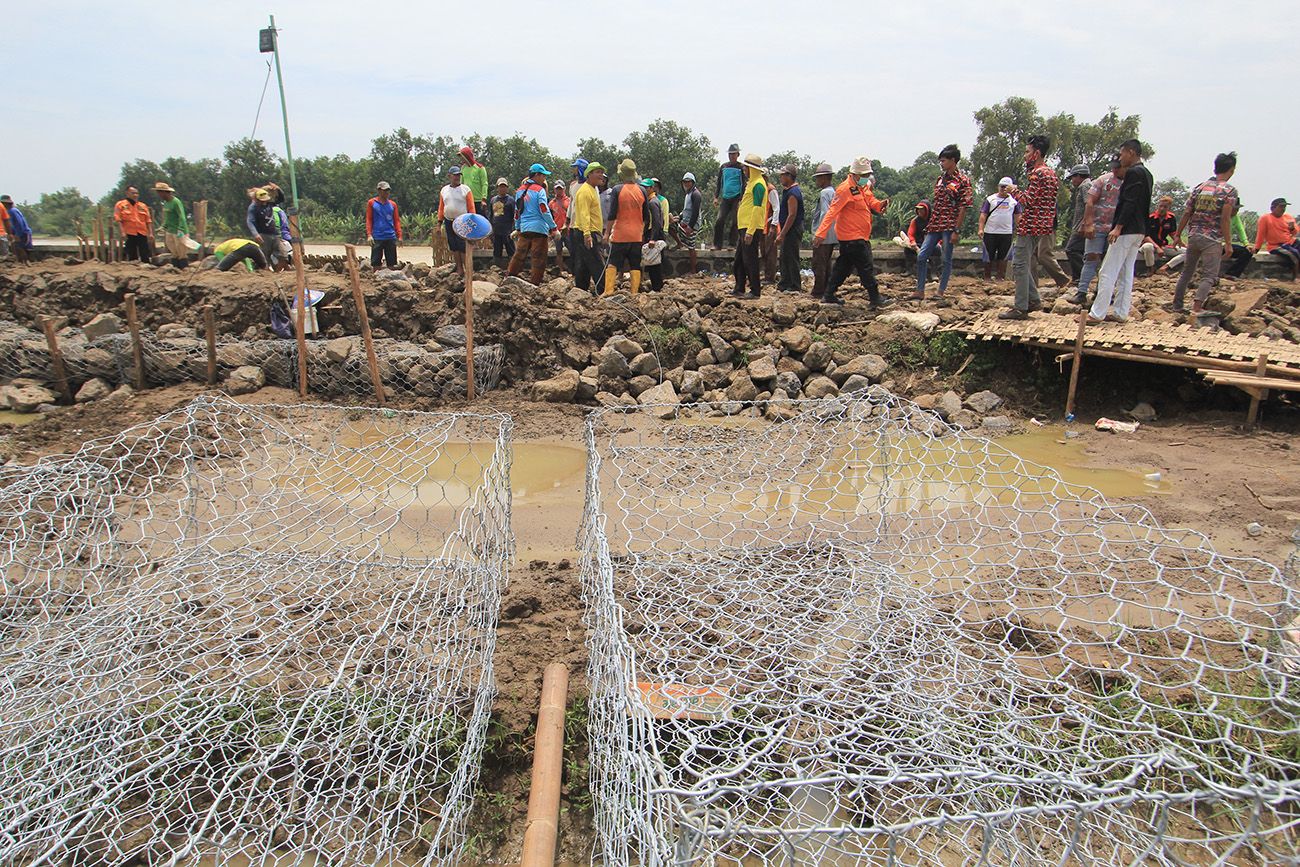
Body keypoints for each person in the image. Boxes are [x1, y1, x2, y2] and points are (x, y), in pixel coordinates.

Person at [1088, 138, 1153, 324]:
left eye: (1123, 153)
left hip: (1126, 229)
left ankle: (1097, 313)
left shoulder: (1133, 173)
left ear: (1131, 152)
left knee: (1108, 271)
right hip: (1138, 229)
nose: (1121, 158)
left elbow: (1129, 202)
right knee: (1126, 272)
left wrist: (1118, 227)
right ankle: (1121, 312)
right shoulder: (1147, 174)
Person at [813, 156, 892, 309]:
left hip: (859, 235)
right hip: (851, 237)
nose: (866, 178)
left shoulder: (863, 188)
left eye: (867, 175)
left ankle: (829, 294)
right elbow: (832, 212)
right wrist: (820, 234)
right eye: (863, 175)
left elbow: (871, 202)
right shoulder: (844, 189)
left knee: (842, 267)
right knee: (866, 265)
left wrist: (880, 205)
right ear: (854, 174)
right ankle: (875, 297)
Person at [1170, 152, 1238, 315]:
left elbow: (1187, 212)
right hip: (1212, 238)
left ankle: (1177, 306)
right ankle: (1196, 308)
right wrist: (1228, 242)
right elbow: (1225, 217)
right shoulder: (1230, 191)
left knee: (1187, 272)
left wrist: (1179, 234)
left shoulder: (1200, 187)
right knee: (1209, 276)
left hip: (1193, 235)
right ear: (1232, 169)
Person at [999, 135, 1058, 320]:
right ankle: (1033, 300)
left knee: (1019, 264)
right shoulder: (1051, 173)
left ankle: (1020, 307)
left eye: (1027, 151)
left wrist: (1013, 191)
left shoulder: (1037, 173)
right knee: (1022, 264)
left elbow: (1029, 201)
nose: (1025, 156)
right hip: (1043, 225)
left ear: (1036, 153)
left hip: (1030, 225)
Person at [912, 144, 972, 301]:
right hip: (935, 224)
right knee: (922, 255)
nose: (941, 164)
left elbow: (963, 207)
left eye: (944, 161)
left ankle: (941, 291)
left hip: (950, 225)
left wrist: (956, 230)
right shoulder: (940, 179)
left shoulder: (963, 180)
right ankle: (920, 290)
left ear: (953, 160)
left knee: (946, 259)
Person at [1068, 155, 1124, 306]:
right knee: (1090, 259)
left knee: (1107, 262)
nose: (1115, 169)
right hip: (1098, 227)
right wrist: (1088, 224)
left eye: (1118, 166)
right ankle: (1082, 292)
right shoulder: (1102, 180)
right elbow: (1090, 202)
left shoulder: (1128, 183)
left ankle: (1101, 292)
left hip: (1115, 229)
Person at [601, 159, 650, 296]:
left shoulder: (617, 190)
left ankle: (609, 290)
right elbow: (646, 215)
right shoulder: (642, 190)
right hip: (636, 235)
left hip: (620, 234)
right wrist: (640, 229)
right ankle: (634, 292)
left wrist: (606, 233)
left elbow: (612, 214)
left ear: (621, 175)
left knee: (613, 262)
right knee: (635, 264)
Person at [508, 164, 555, 285]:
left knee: (519, 255)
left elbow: (517, 211)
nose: (544, 179)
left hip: (525, 228)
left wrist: (518, 228)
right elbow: (544, 209)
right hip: (539, 229)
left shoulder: (519, 191)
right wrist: (553, 227)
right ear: (536, 175)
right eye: (543, 176)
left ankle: (509, 277)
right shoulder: (540, 190)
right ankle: (535, 284)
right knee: (538, 258)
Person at [730, 153, 768, 299]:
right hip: (744, 227)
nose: (744, 170)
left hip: (750, 228)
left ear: (751, 169)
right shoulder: (751, 183)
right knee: (739, 259)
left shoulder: (758, 184)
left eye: (746, 168)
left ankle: (755, 290)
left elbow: (757, 208)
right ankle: (739, 287)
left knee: (750, 259)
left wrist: (750, 231)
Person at [571, 163, 606, 293]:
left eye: (601, 172)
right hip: (588, 231)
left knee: (583, 264)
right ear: (589, 174)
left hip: (586, 231)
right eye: (597, 172)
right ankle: (603, 292)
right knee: (597, 262)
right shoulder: (585, 191)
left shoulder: (592, 189)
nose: (600, 175)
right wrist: (587, 234)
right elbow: (584, 214)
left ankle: (580, 290)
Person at [977, 179, 1020, 282]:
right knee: (988, 256)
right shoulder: (990, 199)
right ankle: (987, 277)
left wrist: (1020, 229)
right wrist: (980, 228)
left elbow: (1018, 216)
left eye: (1006, 187)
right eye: (1002, 186)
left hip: (1006, 233)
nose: (1003, 189)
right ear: (998, 186)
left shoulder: (1014, 202)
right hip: (990, 232)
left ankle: (999, 278)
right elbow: (983, 214)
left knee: (1003, 256)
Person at [438, 166, 476, 279]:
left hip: (462, 221)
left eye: (459, 175)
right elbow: (441, 207)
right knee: (454, 246)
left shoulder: (466, 189)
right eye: (455, 175)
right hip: (449, 220)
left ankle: (468, 270)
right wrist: (439, 224)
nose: (457, 177)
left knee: (463, 246)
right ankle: (460, 270)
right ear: (449, 176)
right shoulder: (444, 190)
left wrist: (472, 222)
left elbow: (471, 208)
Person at [1251, 197, 1299, 279]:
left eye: (1284, 207)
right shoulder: (1266, 218)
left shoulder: (1288, 217)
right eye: (1281, 207)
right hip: (1276, 245)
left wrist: (1292, 228)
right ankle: (1296, 275)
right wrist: (1257, 248)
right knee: (1294, 254)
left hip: (1289, 242)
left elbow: (1295, 232)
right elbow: (1261, 234)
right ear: (1273, 208)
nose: (1283, 209)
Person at [808, 164, 837, 300]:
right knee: (826, 263)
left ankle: (818, 291)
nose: (817, 181)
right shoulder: (833, 192)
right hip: (831, 235)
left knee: (819, 263)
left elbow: (825, 214)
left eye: (819, 178)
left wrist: (820, 234)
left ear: (825, 178)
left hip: (824, 235)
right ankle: (827, 289)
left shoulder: (825, 193)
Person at [775, 164, 804, 293]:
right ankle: (785, 282)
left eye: (783, 175)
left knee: (791, 257)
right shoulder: (788, 191)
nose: (780, 178)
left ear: (789, 176)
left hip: (792, 229)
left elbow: (792, 215)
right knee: (784, 256)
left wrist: (782, 233)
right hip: (788, 228)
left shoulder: (793, 192)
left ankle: (794, 284)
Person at [713, 144, 744, 249]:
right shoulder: (724, 167)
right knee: (720, 220)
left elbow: (744, 183)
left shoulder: (741, 167)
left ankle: (732, 243)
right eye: (730, 154)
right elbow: (719, 182)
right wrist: (716, 196)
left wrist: (741, 198)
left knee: (735, 221)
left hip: (736, 196)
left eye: (733, 154)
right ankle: (717, 244)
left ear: (738, 155)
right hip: (726, 197)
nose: (731, 156)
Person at [366, 181, 402, 270]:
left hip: (390, 235)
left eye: (388, 190)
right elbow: (369, 219)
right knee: (376, 261)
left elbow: (396, 220)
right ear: (379, 190)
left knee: (391, 261)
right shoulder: (372, 203)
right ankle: (376, 279)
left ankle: (390, 279)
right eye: (384, 190)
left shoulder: (392, 204)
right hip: (377, 236)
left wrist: (399, 236)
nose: (386, 193)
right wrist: (369, 234)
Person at [1064, 164, 1092, 280]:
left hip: (1082, 226)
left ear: (1079, 176)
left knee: (1071, 249)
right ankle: (1080, 277)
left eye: (1073, 178)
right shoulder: (1086, 186)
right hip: (1082, 225)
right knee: (1080, 251)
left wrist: (1084, 225)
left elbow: (1088, 205)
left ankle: (1080, 277)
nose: (1072, 181)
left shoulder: (1085, 186)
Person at [671, 171, 703, 272]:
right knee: (671, 226)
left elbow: (695, 212)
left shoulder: (696, 194)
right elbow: (686, 210)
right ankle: (680, 243)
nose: (687, 184)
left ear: (693, 182)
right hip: (685, 221)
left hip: (692, 224)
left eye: (689, 182)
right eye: (685, 182)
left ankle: (692, 270)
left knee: (691, 246)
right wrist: (679, 217)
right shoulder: (688, 194)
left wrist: (690, 226)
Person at [1140, 196, 1181, 274]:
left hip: (1163, 245)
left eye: (1165, 207)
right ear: (1157, 206)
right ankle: (1151, 269)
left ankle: (1164, 268)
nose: (1162, 209)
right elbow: (1145, 236)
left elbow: (1173, 234)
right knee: (1148, 247)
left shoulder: (1171, 218)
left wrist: (1182, 243)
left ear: (1169, 208)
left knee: (1186, 252)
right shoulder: (1150, 218)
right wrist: (1157, 248)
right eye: (1160, 206)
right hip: (1150, 245)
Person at [113, 186, 153, 263]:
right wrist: (122, 232)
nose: (135, 195)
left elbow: (148, 220)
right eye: (133, 193)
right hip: (129, 232)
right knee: (132, 253)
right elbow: (118, 219)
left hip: (142, 232)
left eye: (136, 193)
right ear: (127, 193)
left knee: (145, 253)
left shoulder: (142, 206)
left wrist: (150, 233)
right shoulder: (121, 205)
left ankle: (146, 268)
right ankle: (134, 269)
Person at [156, 182, 191, 264]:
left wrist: (181, 229)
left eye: (160, 192)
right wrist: (163, 226)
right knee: (172, 249)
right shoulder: (166, 203)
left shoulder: (176, 202)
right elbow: (167, 217)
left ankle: (183, 267)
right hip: (170, 230)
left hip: (178, 231)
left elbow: (182, 216)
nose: (159, 195)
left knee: (181, 250)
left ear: (164, 192)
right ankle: (175, 267)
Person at [566, 159, 589, 272]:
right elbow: (571, 204)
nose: (574, 170)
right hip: (574, 223)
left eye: (576, 167)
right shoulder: (573, 186)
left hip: (584, 225)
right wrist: (567, 221)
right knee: (574, 251)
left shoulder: (589, 187)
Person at [0, 196, 33, 265]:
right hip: (15, 233)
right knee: (13, 247)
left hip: (23, 232)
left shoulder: (13, 211)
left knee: (20, 247)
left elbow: (19, 223)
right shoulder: (8, 211)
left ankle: (26, 262)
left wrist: (18, 235)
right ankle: (18, 262)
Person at [489, 178, 515, 261]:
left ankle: (513, 266)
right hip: (496, 229)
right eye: (501, 186)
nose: (502, 188)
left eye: (504, 187)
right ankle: (496, 267)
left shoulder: (510, 200)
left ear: (507, 188)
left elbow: (514, 215)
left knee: (510, 248)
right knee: (497, 250)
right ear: (497, 188)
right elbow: (491, 215)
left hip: (507, 229)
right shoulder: (493, 200)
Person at [459, 146, 489, 218]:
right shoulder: (463, 168)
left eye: (462, 156)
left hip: (478, 200)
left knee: (480, 219)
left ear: (467, 156)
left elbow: (484, 184)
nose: (461, 158)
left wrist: (483, 199)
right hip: (467, 200)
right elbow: (461, 184)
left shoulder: (480, 168)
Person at [550, 180, 570, 274]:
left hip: (568, 230)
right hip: (557, 230)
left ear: (564, 189)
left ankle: (574, 270)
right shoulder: (552, 203)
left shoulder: (569, 201)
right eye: (557, 189)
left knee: (572, 250)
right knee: (558, 251)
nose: (559, 191)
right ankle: (560, 269)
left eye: (560, 189)